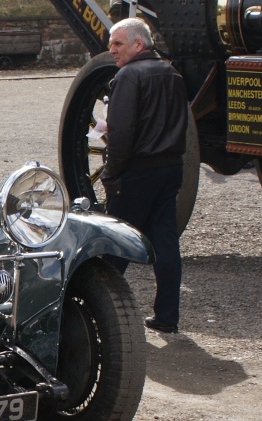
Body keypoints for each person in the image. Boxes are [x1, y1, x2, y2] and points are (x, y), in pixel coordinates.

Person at [101, 17, 189, 334]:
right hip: (171, 168)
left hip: (137, 172)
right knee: (166, 243)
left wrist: (111, 175)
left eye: (118, 44)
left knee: (114, 244)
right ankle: (167, 316)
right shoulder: (172, 73)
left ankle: (97, 311)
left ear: (139, 44)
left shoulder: (128, 76)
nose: (112, 50)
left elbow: (121, 134)